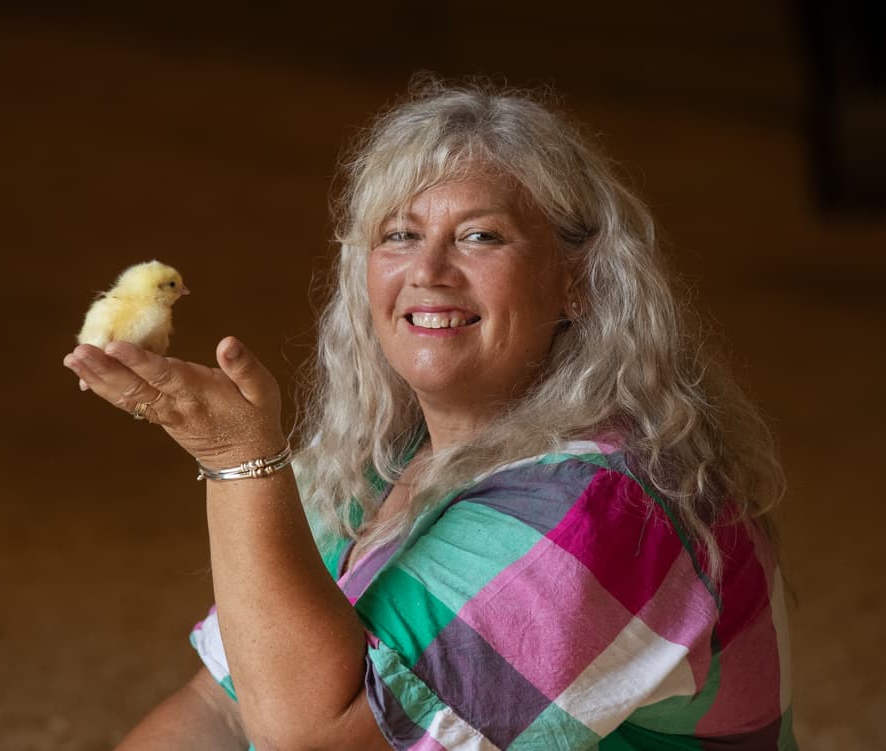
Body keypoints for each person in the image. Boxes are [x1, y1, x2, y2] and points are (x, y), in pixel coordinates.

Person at [63, 78, 797, 750]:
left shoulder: (608, 504)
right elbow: (222, 710)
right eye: (400, 235)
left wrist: (239, 463)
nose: (429, 271)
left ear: (577, 280)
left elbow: (317, 742)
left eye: (480, 236)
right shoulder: (376, 457)